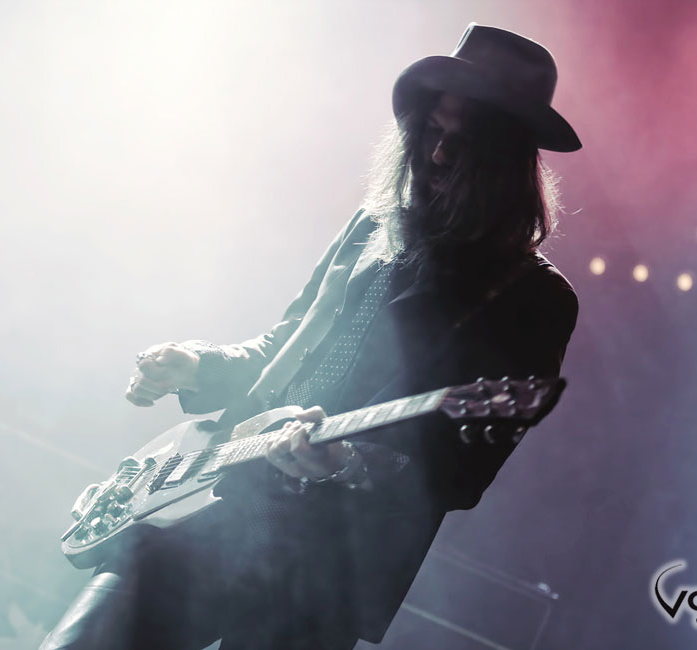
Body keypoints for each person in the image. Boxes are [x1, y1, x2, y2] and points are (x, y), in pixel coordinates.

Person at [41, 23, 581, 650]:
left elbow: (461, 473)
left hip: (323, 573)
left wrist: (346, 461)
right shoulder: (371, 224)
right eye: (434, 131)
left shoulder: (534, 299)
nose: (437, 157)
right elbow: (286, 347)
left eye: (465, 146)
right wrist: (196, 364)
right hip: (210, 503)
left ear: (509, 164)